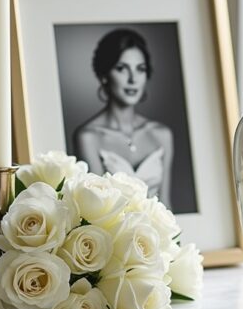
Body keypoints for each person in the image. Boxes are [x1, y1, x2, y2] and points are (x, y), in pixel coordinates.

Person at [73, 29, 173, 206]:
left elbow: (166, 206)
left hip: (158, 233)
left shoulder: (162, 134)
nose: (133, 79)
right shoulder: (88, 137)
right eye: (121, 69)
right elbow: (97, 210)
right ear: (104, 75)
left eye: (140, 69)